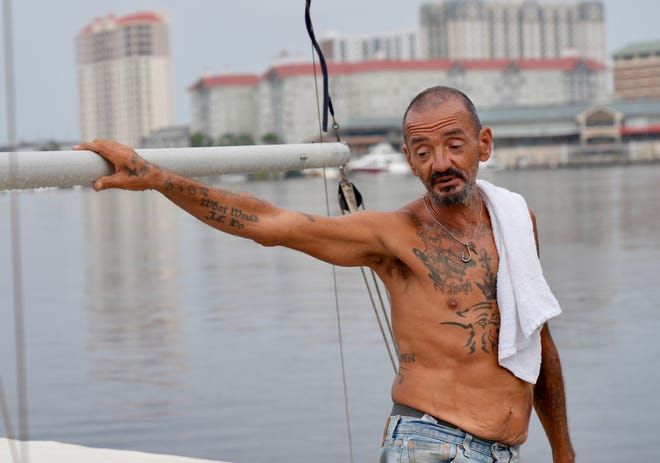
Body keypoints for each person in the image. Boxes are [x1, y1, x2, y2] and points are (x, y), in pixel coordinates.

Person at [75, 86, 574, 463]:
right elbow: (274, 224)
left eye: (453, 145)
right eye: (423, 152)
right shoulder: (395, 236)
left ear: (483, 144)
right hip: (431, 446)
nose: (440, 163)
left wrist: (564, 453)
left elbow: (537, 341)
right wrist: (158, 179)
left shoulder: (513, 219)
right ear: (409, 160)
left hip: (503, 452)